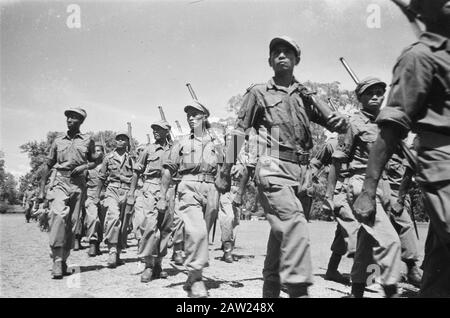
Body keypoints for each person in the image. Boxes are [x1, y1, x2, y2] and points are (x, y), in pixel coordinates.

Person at [216, 36, 347, 298]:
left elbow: (337, 125)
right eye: (276, 52)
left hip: (302, 172)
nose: (281, 56)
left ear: (297, 59)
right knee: (293, 223)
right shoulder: (258, 92)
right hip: (272, 165)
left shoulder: (304, 95)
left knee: (279, 238)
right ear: (269, 61)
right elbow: (239, 132)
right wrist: (224, 170)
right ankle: (299, 290)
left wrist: (314, 97)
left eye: (288, 52)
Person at [353, 0, 450, 297]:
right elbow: (390, 131)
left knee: (440, 265)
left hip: (400, 186)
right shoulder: (419, 57)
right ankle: (360, 282)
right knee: (377, 240)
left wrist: (400, 194)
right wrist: (368, 191)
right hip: (442, 163)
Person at [159, 100, 222, 298]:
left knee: (201, 235)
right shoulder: (182, 143)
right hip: (188, 187)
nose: (191, 117)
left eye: (195, 114)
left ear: (205, 117)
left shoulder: (218, 142)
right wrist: (162, 196)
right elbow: (168, 171)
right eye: (189, 115)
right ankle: (196, 280)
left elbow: (228, 168)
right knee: (197, 231)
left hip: (211, 189)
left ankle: (193, 274)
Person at [38, 107, 100, 279]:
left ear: (81, 121)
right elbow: (48, 165)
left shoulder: (88, 140)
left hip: (79, 184)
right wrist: (42, 189)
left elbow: (96, 160)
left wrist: (85, 166)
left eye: (74, 118)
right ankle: (57, 260)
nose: (70, 120)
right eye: (68, 118)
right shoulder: (58, 141)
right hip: (60, 182)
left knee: (72, 224)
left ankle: (64, 259)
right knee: (58, 216)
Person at [130, 120, 174, 283]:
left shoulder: (175, 150)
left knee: (165, 228)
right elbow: (136, 171)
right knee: (149, 226)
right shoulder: (148, 149)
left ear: (167, 131)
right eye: (154, 128)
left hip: (169, 188)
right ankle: (148, 264)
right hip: (150, 186)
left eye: (159, 129)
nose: (155, 131)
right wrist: (131, 192)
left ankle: (159, 264)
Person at [315, 135, 359, 285]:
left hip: (359, 190)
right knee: (356, 230)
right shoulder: (332, 143)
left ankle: (331, 270)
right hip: (341, 191)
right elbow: (316, 163)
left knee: (343, 231)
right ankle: (365, 278)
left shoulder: (367, 139)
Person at [96, 132, 136, 268]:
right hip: (112, 189)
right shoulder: (108, 158)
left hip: (127, 191)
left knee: (124, 223)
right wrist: (98, 194)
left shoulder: (132, 159)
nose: (120, 141)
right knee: (113, 217)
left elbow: (137, 176)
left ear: (127, 142)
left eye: (123, 139)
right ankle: (112, 251)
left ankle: (118, 252)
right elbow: (101, 177)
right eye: (118, 139)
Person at [84, 143, 105, 257]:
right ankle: (92, 242)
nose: (97, 152)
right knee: (93, 218)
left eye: (99, 150)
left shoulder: (107, 165)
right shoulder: (87, 167)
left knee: (101, 221)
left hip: (104, 194)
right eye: (94, 151)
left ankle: (97, 244)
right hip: (90, 194)